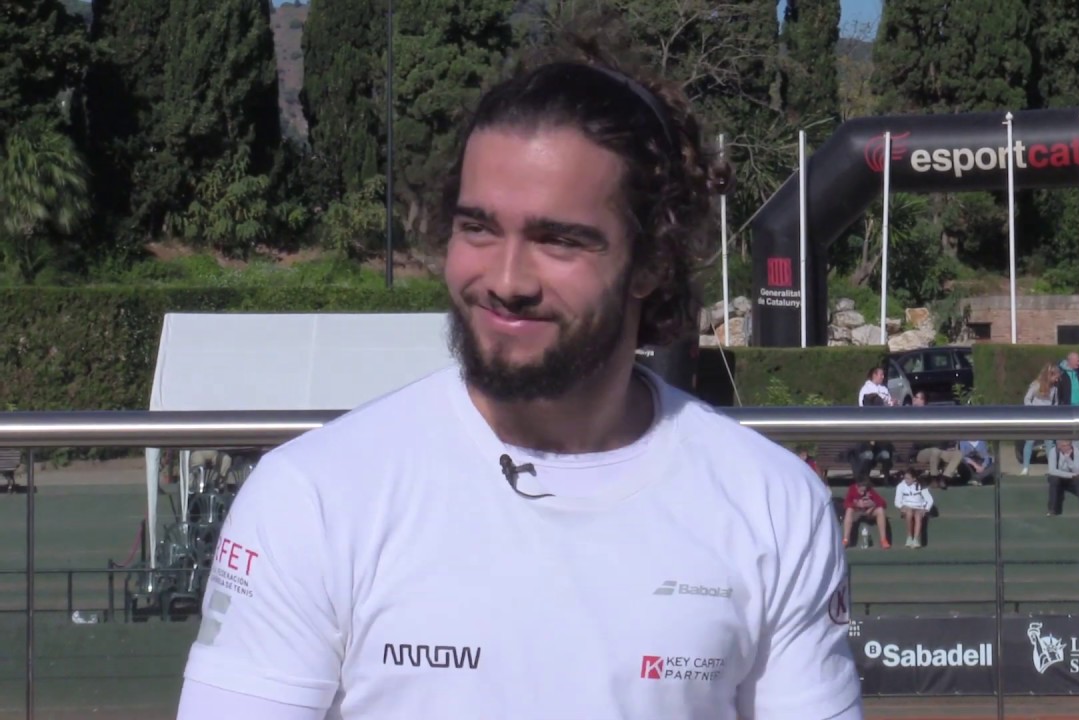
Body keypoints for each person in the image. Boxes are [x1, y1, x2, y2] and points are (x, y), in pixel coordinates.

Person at [174, 44, 861, 720]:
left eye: (559, 240)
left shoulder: (772, 503)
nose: (505, 280)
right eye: (477, 228)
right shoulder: (312, 497)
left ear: (652, 261)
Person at [1020, 363, 1060, 475]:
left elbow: (1055, 402)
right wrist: (1032, 410)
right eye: (1055, 377)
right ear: (1049, 375)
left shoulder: (1054, 389)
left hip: (1047, 419)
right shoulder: (1036, 385)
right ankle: (1025, 468)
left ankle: (1052, 468)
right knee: (1030, 442)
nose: (1056, 380)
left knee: (1049, 443)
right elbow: (1027, 399)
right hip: (1035, 418)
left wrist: (1054, 412)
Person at [842, 479, 891, 549]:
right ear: (857, 487)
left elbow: (883, 503)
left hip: (868, 512)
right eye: (861, 491)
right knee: (849, 510)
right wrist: (856, 504)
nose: (862, 493)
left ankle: (883, 540)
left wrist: (873, 504)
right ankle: (846, 539)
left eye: (864, 491)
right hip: (856, 513)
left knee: (880, 510)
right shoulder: (852, 489)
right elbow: (845, 504)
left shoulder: (869, 490)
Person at [893, 470, 934, 549]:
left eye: (908, 478)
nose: (906, 480)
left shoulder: (921, 485)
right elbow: (897, 501)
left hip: (918, 507)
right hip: (907, 507)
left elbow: (929, 500)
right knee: (909, 513)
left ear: (914, 478)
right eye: (905, 478)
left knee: (918, 516)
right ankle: (909, 537)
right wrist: (901, 506)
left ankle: (916, 539)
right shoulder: (900, 486)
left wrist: (925, 509)